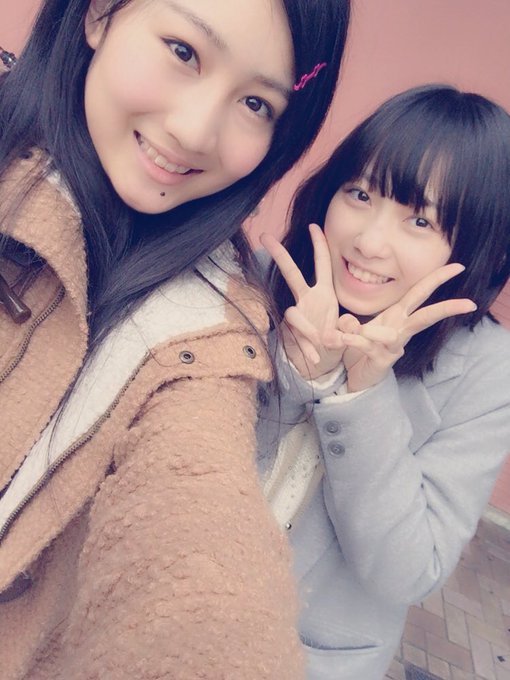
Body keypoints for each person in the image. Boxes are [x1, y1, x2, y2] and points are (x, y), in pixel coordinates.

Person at [0, 0, 351, 677]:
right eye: (184, 52)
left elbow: (198, 532)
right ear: (99, 15)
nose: (195, 131)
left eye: (256, 104)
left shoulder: (209, 334)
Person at [258, 85, 510, 680]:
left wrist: (361, 397)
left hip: (304, 659)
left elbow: (407, 571)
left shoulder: (488, 370)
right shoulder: (263, 283)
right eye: (361, 193)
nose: (369, 242)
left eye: (420, 220)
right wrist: (300, 376)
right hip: (170, 607)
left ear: (476, 243)